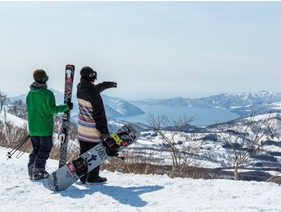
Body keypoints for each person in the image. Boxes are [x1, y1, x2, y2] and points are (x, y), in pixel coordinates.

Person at [26, 69, 73, 180]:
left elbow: (28, 109)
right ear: (43, 80)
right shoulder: (47, 93)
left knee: (36, 148)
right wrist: (66, 107)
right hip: (44, 127)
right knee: (45, 148)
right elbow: (52, 110)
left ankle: (32, 169)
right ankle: (38, 171)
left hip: (33, 128)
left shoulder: (30, 94)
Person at [77, 66, 117, 184]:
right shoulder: (92, 92)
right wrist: (104, 132)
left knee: (84, 153)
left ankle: (83, 176)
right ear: (92, 76)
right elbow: (99, 115)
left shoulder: (80, 87)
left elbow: (94, 89)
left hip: (82, 128)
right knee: (95, 154)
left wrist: (106, 84)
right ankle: (93, 178)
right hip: (93, 129)